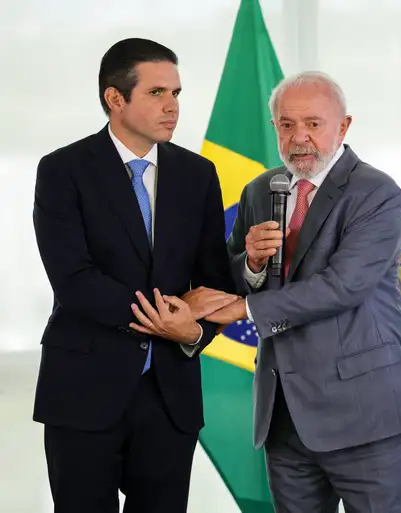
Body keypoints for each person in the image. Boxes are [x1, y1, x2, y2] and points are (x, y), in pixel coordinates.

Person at [206, 71, 401, 512]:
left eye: (313, 123)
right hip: (284, 414)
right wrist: (251, 263)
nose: (299, 138)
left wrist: (244, 308)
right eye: (287, 125)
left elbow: (343, 286)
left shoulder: (376, 192)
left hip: (363, 410)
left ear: (343, 126)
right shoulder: (260, 190)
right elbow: (228, 274)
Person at [32, 38, 237, 513]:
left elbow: (212, 286)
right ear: (115, 98)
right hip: (83, 390)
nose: (172, 106)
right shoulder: (63, 170)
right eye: (156, 92)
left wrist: (192, 333)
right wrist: (169, 317)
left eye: (177, 93)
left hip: (170, 398)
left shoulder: (198, 174)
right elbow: (74, 281)